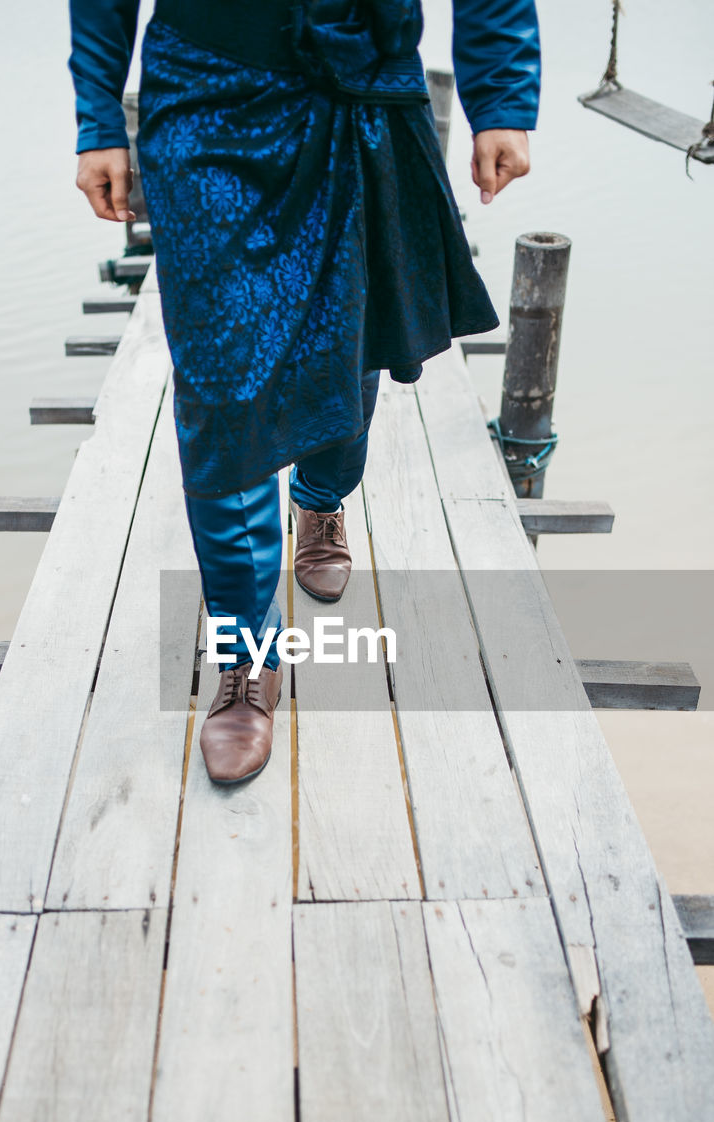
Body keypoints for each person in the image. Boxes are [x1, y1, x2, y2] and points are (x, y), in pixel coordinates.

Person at [68, 0, 540, 785]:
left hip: (358, 84)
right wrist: (97, 121)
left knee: (341, 340)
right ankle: (246, 657)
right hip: (206, 92)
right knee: (223, 388)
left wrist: (500, 97)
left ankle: (320, 499)